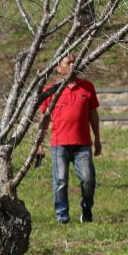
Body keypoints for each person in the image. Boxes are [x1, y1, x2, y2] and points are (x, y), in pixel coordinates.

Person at [36, 54, 101, 224]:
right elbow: (43, 117)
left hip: (83, 144)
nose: (72, 65)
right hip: (60, 144)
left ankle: (86, 211)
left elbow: (93, 114)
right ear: (59, 67)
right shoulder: (51, 90)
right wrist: (39, 144)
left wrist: (98, 139)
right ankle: (62, 217)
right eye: (68, 62)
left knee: (88, 179)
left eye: (74, 62)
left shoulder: (87, 87)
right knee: (61, 181)